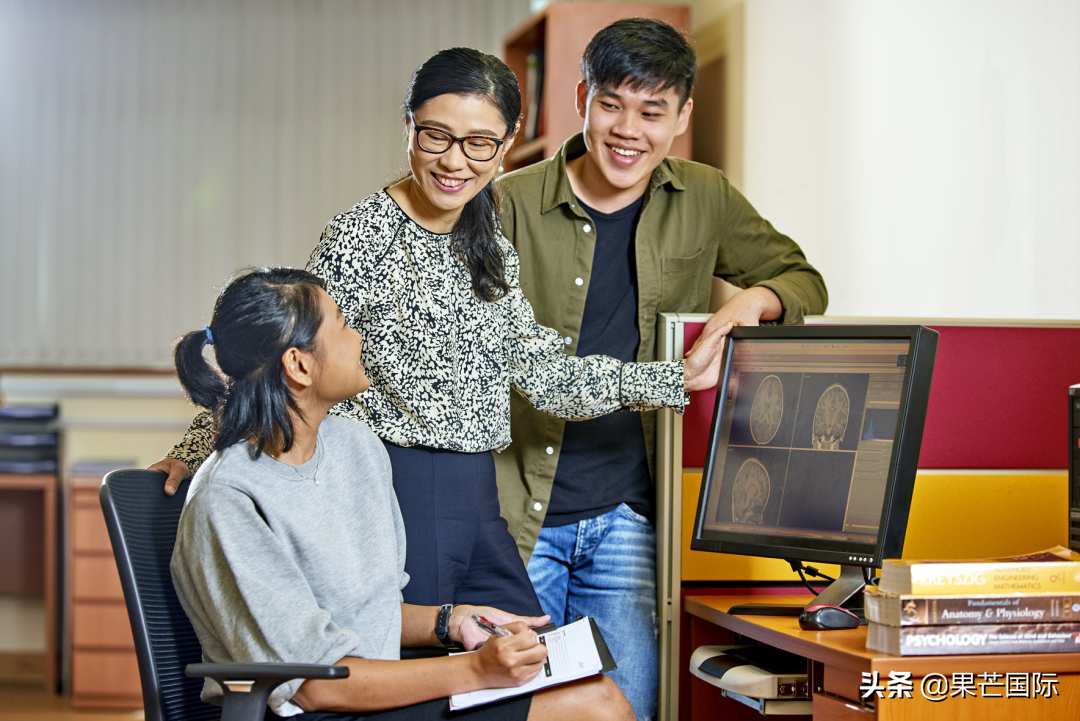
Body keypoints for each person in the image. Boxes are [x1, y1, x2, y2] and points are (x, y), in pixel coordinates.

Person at [152, 48, 727, 624]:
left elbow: (547, 379)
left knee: (537, 661)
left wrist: (674, 378)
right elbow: (284, 355)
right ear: (408, 127)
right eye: (436, 137)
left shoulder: (489, 243)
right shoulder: (364, 235)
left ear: (508, 142)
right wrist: (195, 448)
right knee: (445, 684)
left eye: (481, 142)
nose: (457, 162)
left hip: (480, 495)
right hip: (401, 486)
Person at [492, 19, 829, 720]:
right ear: (581, 97)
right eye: (612, 103)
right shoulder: (509, 203)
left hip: (628, 515)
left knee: (631, 709)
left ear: (682, 117)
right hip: (515, 511)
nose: (628, 129)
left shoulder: (705, 197)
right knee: (506, 708)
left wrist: (752, 304)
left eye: (652, 111)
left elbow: (801, 278)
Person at [169, 266, 634, 720]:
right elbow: (310, 685)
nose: (359, 339)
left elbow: (376, 613)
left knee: (594, 691)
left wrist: (452, 621)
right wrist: (476, 671)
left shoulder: (356, 447)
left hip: (383, 692)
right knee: (595, 707)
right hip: (327, 707)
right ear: (300, 364)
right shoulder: (227, 498)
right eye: (344, 325)